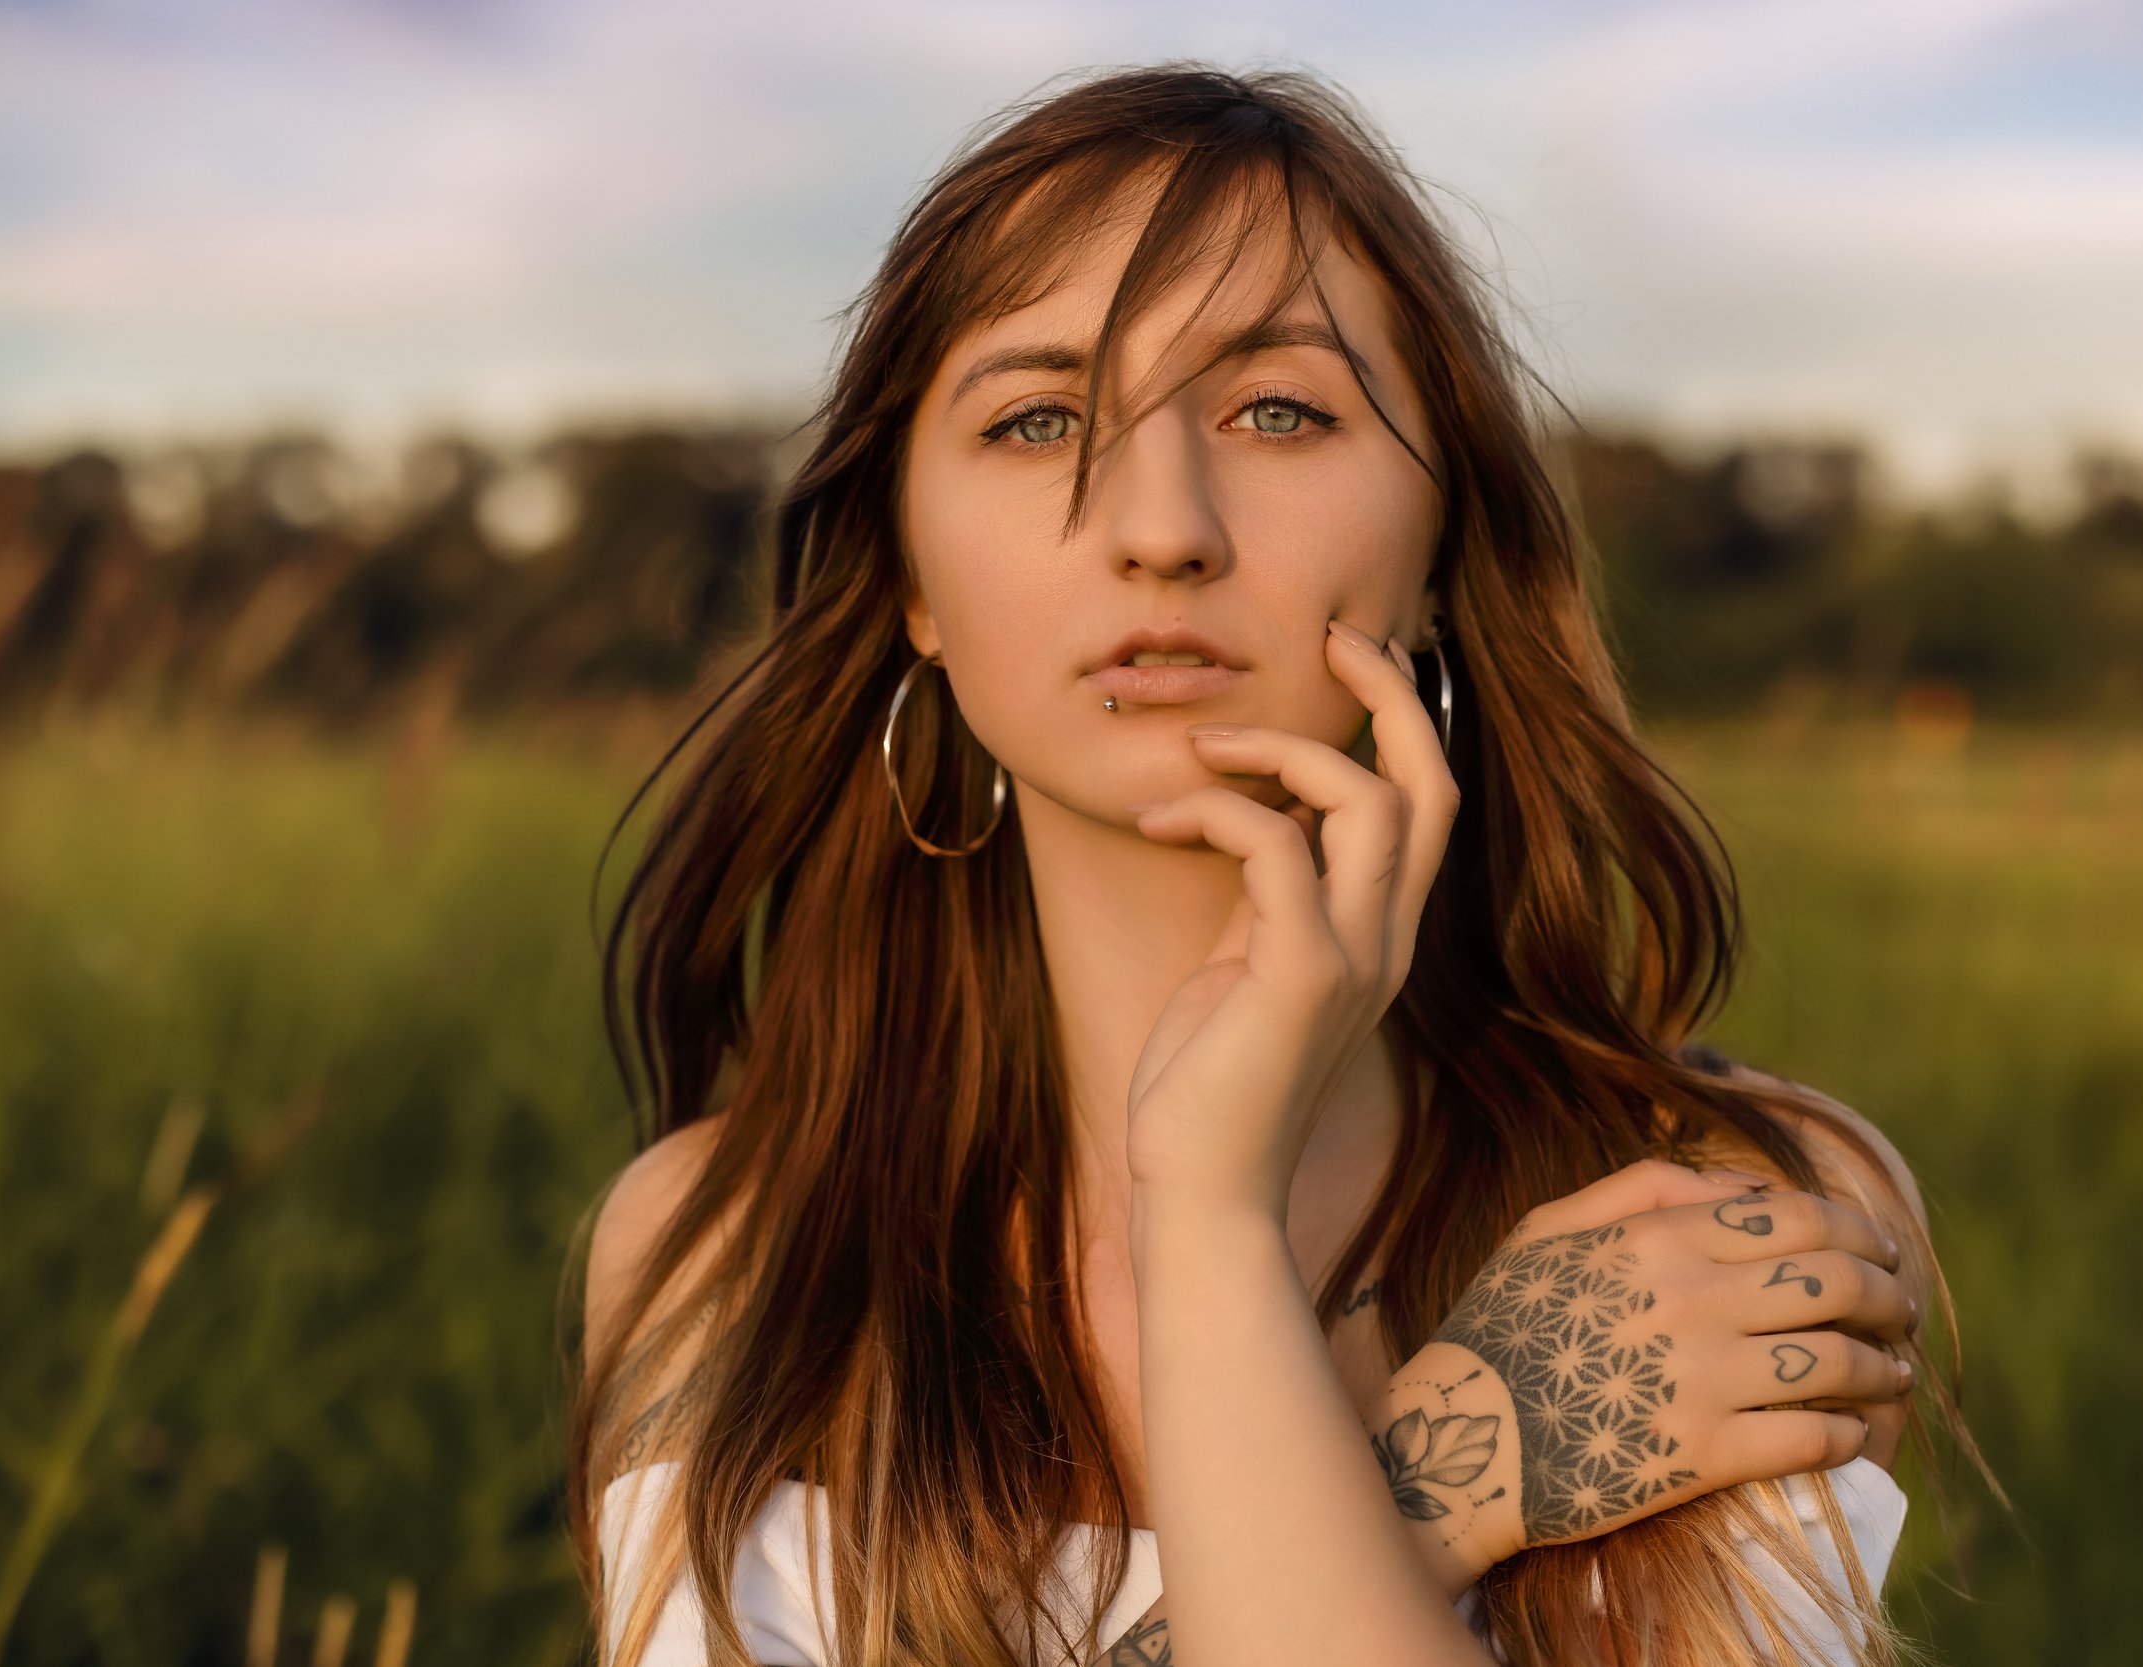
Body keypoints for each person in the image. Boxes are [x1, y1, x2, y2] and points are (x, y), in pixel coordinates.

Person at [568, 62, 1981, 1667]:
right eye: (1038, 421)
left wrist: (1212, 1223)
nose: (1162, 527)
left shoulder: (1722, 1214)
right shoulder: (719, 1250)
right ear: (912, 585)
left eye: (1279, 411)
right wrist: (1431, 1481)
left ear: (1446, 552)